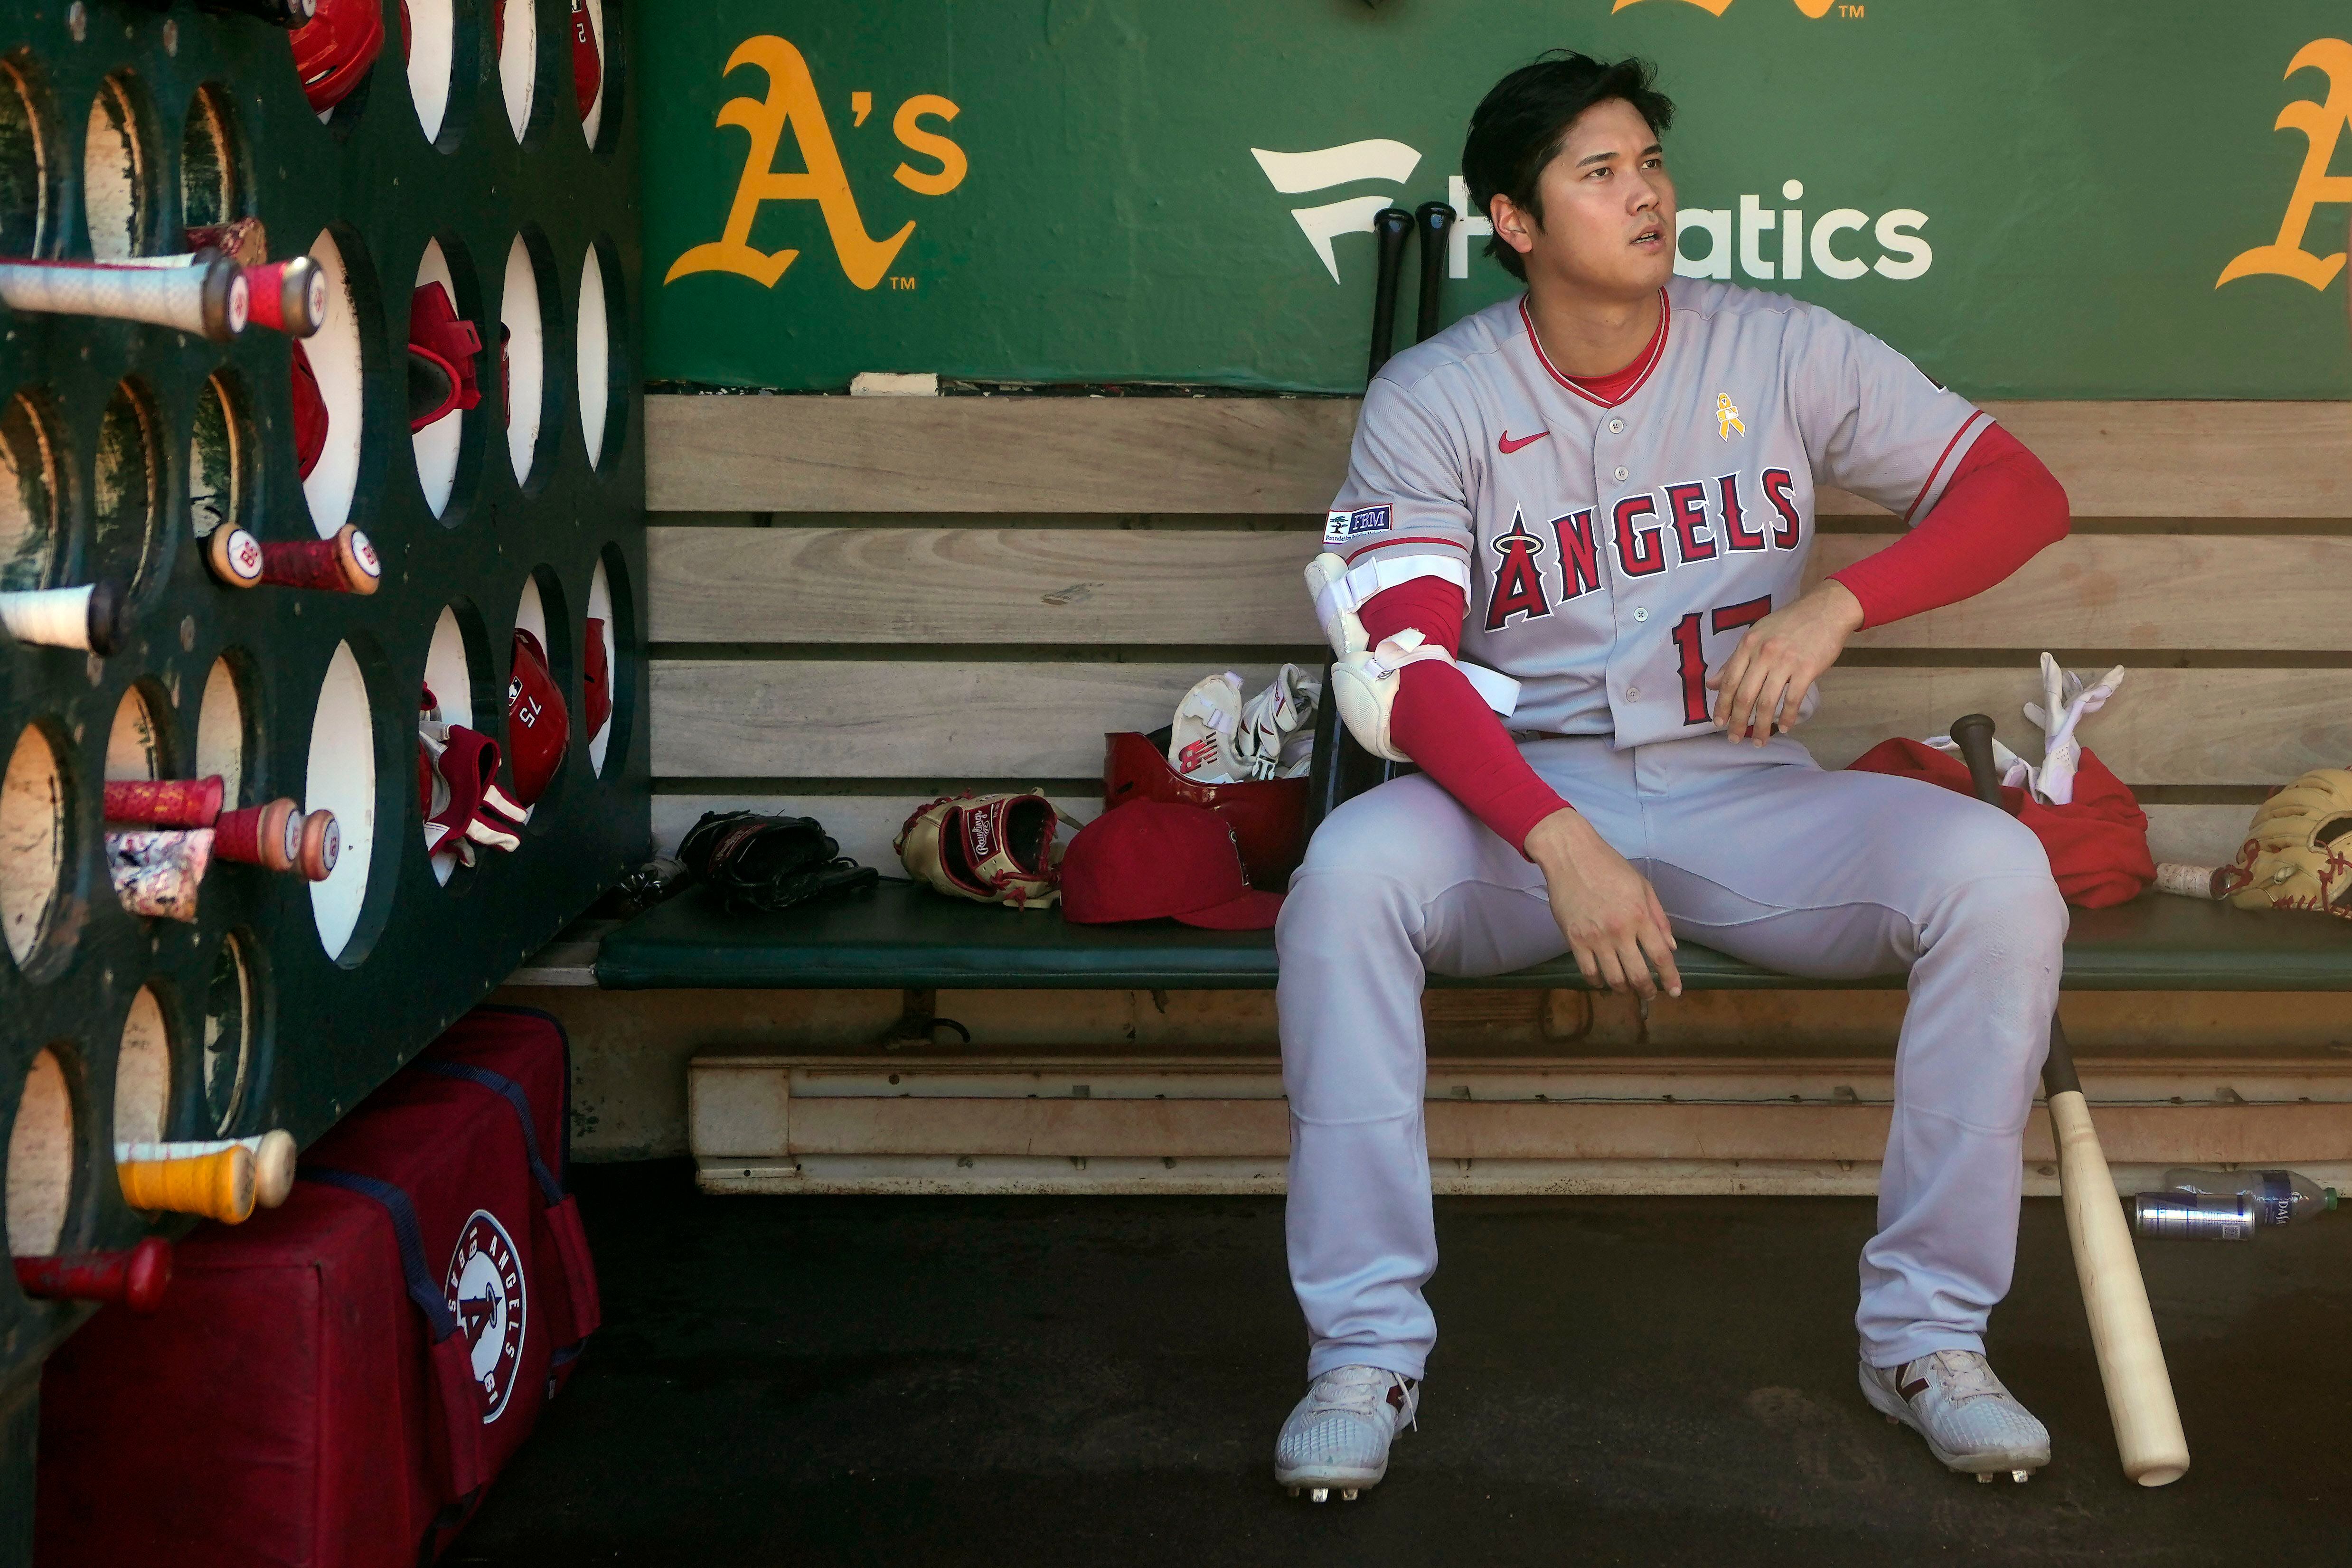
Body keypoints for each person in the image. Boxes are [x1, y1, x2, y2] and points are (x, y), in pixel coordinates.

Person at [1274, 50, 2074, 1500]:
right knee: (1342, 884)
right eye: (1597, 171)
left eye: (1648, 163)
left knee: (1996, 878)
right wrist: (1559, 840)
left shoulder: (1774, 347)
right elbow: (1406, 671)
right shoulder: (1434, 394)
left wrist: (1842, 603)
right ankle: (1363, 1351)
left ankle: (1925, 1341)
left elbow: (2021, 490)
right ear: (1514, 224)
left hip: (1747, 790)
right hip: (1513, 807)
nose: (1642, 193)